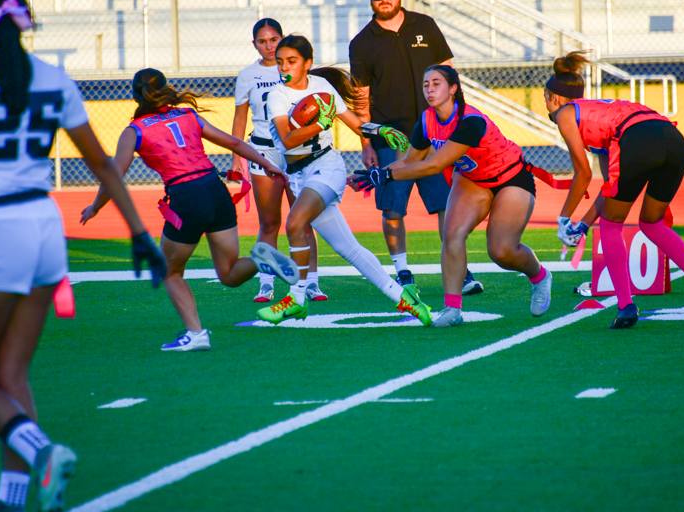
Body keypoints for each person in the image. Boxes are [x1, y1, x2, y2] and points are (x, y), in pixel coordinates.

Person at [0, 0, 167, 512]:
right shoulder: (54, 79)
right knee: (11, 374)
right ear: (25, 18)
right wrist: (140, 235)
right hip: (44, 230)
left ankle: (42, 452)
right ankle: (12, 506)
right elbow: (101, 164)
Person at [81, 68, 300, 351]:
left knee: (170, 271)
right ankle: (261, 260)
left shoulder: (135, 130)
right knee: (229, 273)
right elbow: (233, 142)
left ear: (135, 96)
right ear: (166, 89)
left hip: (187, 197)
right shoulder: (187, 115)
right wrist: (267, 164)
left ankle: (196, 334)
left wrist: (95, 207)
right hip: (216, 190)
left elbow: (114, 175)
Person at [352, 65, 552, 328]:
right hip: (472, 178)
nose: (430, 89)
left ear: (453, 89)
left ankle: (540, 276)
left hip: (510, 176)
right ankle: (453, 309)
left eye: (436, 83)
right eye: (426, 84)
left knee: (501, 251)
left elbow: (434, 165)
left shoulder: (470, 121)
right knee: (452, 235)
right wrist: (374, 174)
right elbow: (410, 160)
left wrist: (387, 176)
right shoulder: (427, 120)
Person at [256, 34, 433, 326]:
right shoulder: (277, 94)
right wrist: (319, 124)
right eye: (280, 61)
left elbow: (354, 123)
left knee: (295, 223)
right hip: (298, 174)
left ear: (307, 63)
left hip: (326, 167)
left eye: (292, 61)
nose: (284, 67)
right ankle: (404, 298)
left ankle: (296, 299)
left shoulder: (322, 87)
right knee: (348, 249)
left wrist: (380, 130)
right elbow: (287, 141)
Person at [544, 51, 684, 328]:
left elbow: (583, 173)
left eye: (545, 99)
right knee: (651, 224)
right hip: (673, 140)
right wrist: (583, 225)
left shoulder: (566, 113)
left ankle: (626, 306)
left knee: (611, 226)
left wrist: (564, 218)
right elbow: (609, 188)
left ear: (555, 98)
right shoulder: (600, 114)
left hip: (638, 140)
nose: (546, 104)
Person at [349, 0, 483, 295]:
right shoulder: (361, 43)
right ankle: (403, 273)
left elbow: (449, 75)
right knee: (392, 208)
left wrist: (458, 123)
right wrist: (366, 143)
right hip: (389, 138)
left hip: (435, 134)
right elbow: (361, 98)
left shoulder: (425, 25)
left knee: (445, 205)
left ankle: (460, 271)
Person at [230, 18, 325, 304]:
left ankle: (311, 281)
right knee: (269, 222)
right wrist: (236, 158)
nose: (269, 46)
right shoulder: (248, 75)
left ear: (282, 39)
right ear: (254, 44)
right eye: (262, 41)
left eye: (274, 40)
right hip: (264, 152)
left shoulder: (294, 69)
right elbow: (240, 118)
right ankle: (266, 282)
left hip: (297, 151)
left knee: (303, 220)